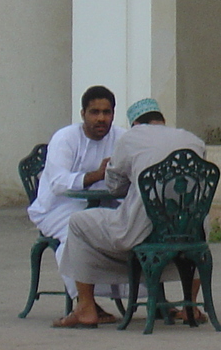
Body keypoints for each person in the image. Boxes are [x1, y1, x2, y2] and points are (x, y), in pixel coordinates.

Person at [53, 98, 207, 328]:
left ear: (135, 123)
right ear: (162, 121)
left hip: (143, 231)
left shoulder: (131, 138)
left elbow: (115, 187)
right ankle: (190, 307)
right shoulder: (193, 140)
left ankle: (85, 307)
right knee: (194, 221)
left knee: (78, 223)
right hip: (192, 233)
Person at [29, 85, 127, 321]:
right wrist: (96, 175)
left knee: (133, 228)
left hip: (104, 205)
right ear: (83, 114)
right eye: (94, 112)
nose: (101, 118)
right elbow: (58, 183)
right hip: (57, 208)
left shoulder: (121, 138)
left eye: (107, 112)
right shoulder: (65, 138)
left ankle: (150, 298)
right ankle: (85, 303)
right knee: (75, 232)